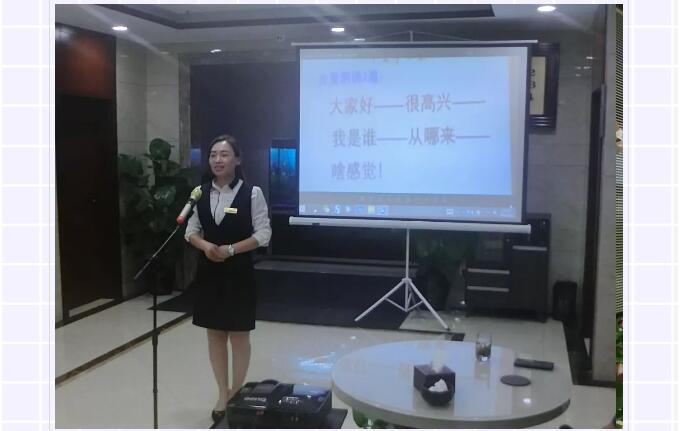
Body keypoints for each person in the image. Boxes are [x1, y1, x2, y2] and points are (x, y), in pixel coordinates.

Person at [184, 134, 271, 423]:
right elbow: (190, 231)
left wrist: (231, 249)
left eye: (224, 154)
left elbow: (263, 233)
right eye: (213, 155)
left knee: (238, 334)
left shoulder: (252, 193)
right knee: (214, 334)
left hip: (239, 272)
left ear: (237, 159)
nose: (218, 160)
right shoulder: (200, 193)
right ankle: (222, 392)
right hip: (209, 272)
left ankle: (236, 390)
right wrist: (205, 246)